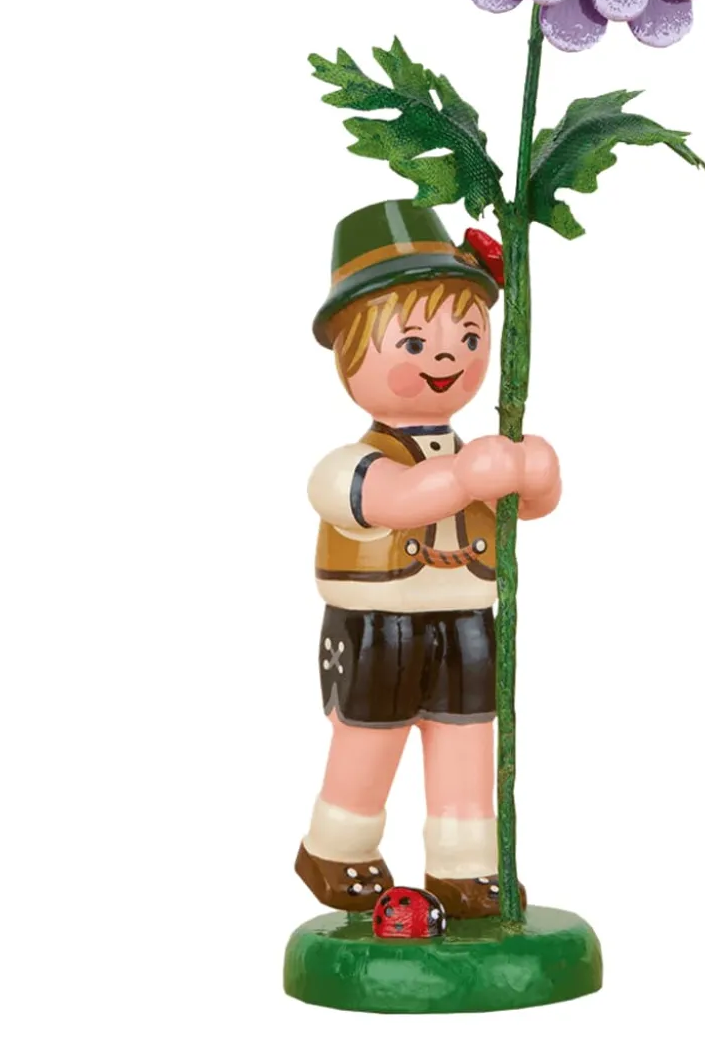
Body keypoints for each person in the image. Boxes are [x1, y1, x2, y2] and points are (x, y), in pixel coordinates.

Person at [295, 200, 561, 919]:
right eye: (413, 343)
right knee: (369, 745)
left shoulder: (477, 454)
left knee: (466, 745)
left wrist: (535, 474)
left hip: (467, 622)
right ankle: (337, 846)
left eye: (468, 338)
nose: (447, 358)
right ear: (348, 352)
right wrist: (471, 475)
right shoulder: (345, 466)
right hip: (377, 630)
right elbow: (398, 499)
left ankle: (464, 865)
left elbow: (528, 506)